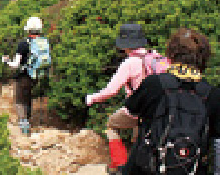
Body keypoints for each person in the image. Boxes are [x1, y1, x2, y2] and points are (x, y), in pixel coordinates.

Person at [124, 28, 220, 175]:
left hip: (148, 168)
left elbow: (130, 112)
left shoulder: (154, 84)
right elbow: (216, 143)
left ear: (171, 54)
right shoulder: (213, 95)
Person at [85, 23, 152, 174]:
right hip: (159, 109)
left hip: (138, 110)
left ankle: (120, 164)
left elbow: (111, 90)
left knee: (112, 124)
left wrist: (92, 98)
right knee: (139, 135)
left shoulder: (130, 63)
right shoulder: (155, 57)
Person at [2, 16, 50, 135]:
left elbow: (16, 64)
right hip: (37, 75)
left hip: (24, 76)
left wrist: (6, 61)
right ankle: (28, 120)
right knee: (28, 98)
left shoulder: (23, 44)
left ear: (28, 29)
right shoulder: (44, 42)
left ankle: (24, 125)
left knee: (19, 101)